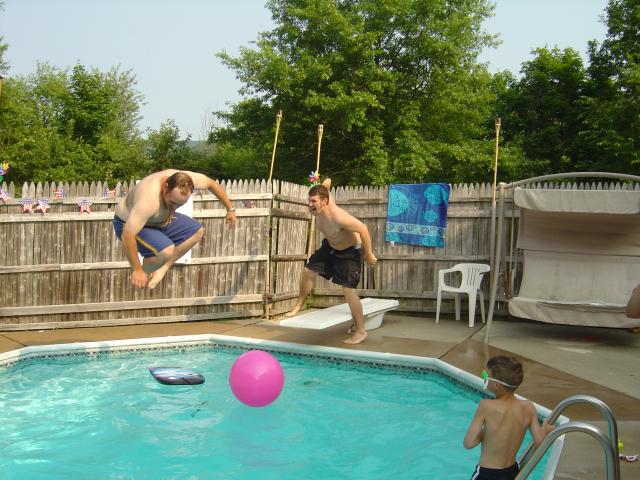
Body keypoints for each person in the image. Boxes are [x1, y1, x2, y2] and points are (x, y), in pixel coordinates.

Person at [285, 182, 377, 345]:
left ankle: (361, 331)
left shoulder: (338, 216)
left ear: (324, 202)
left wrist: (369, 254)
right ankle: (298, 304)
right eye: (309, 201)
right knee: (308, 272)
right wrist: (325, 184)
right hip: (330, 247)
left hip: (349, 252)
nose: (310, 204)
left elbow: (363, 228)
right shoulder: (320, 208)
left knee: (348, 290)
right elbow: (326, 189)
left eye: (313, 201)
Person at [113, 169, 236, 289]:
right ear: (165, 187)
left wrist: (230, 209)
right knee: (166, 250)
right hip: (128, 223)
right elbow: (127, 235)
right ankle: (144, 274)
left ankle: (163, 268)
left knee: (198, 231)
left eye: (180, 204)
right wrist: (137, 269)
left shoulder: (187, 180)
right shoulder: (148, 200)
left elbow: (212, 184)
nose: (175, 207)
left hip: (160, 221)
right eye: (173, 202)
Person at [463, 355, 554, 480]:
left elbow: (468, 443)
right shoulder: (528, 407)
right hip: (512, 473)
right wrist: (545, 430)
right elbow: (540, 443)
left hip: (487, 474)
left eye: (485, 376)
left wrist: (486, 433)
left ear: (497, 385)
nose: (484, 378)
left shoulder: (486, 406)